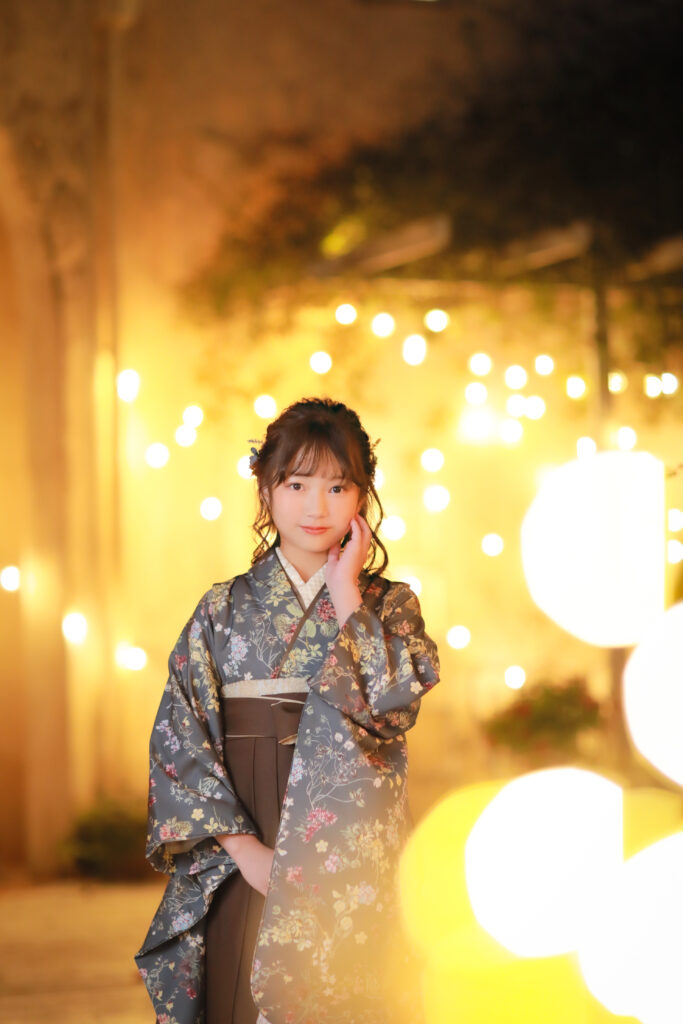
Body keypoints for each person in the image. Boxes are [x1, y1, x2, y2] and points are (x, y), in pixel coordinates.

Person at [135, 396, 441, 1024]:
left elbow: (393, 703)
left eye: (337, 486)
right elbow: (180, 735)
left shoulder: (389, 606)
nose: (316, 506)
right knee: (242, 994)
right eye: (297, 484)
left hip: (351, 849)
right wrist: (244, 850)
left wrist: (347, 594)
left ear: (362, 497)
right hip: (250, 841)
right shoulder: (222, 609)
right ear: (266, 490)